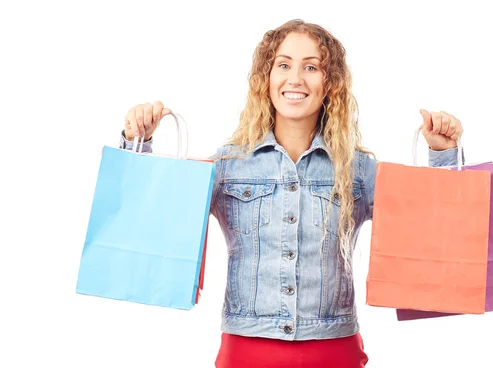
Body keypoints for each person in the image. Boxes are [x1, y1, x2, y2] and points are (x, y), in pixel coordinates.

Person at [119, 19, 463, 367]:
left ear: (330, 84)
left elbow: (432, 230)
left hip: (334, 351)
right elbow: (155, 215)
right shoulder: (229, 164)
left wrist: (443, 154)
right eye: (283, 65)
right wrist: (138, 140)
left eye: (311, 67)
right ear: (265, 80)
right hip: (246, 351)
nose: (295, 79)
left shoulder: (359, 170)